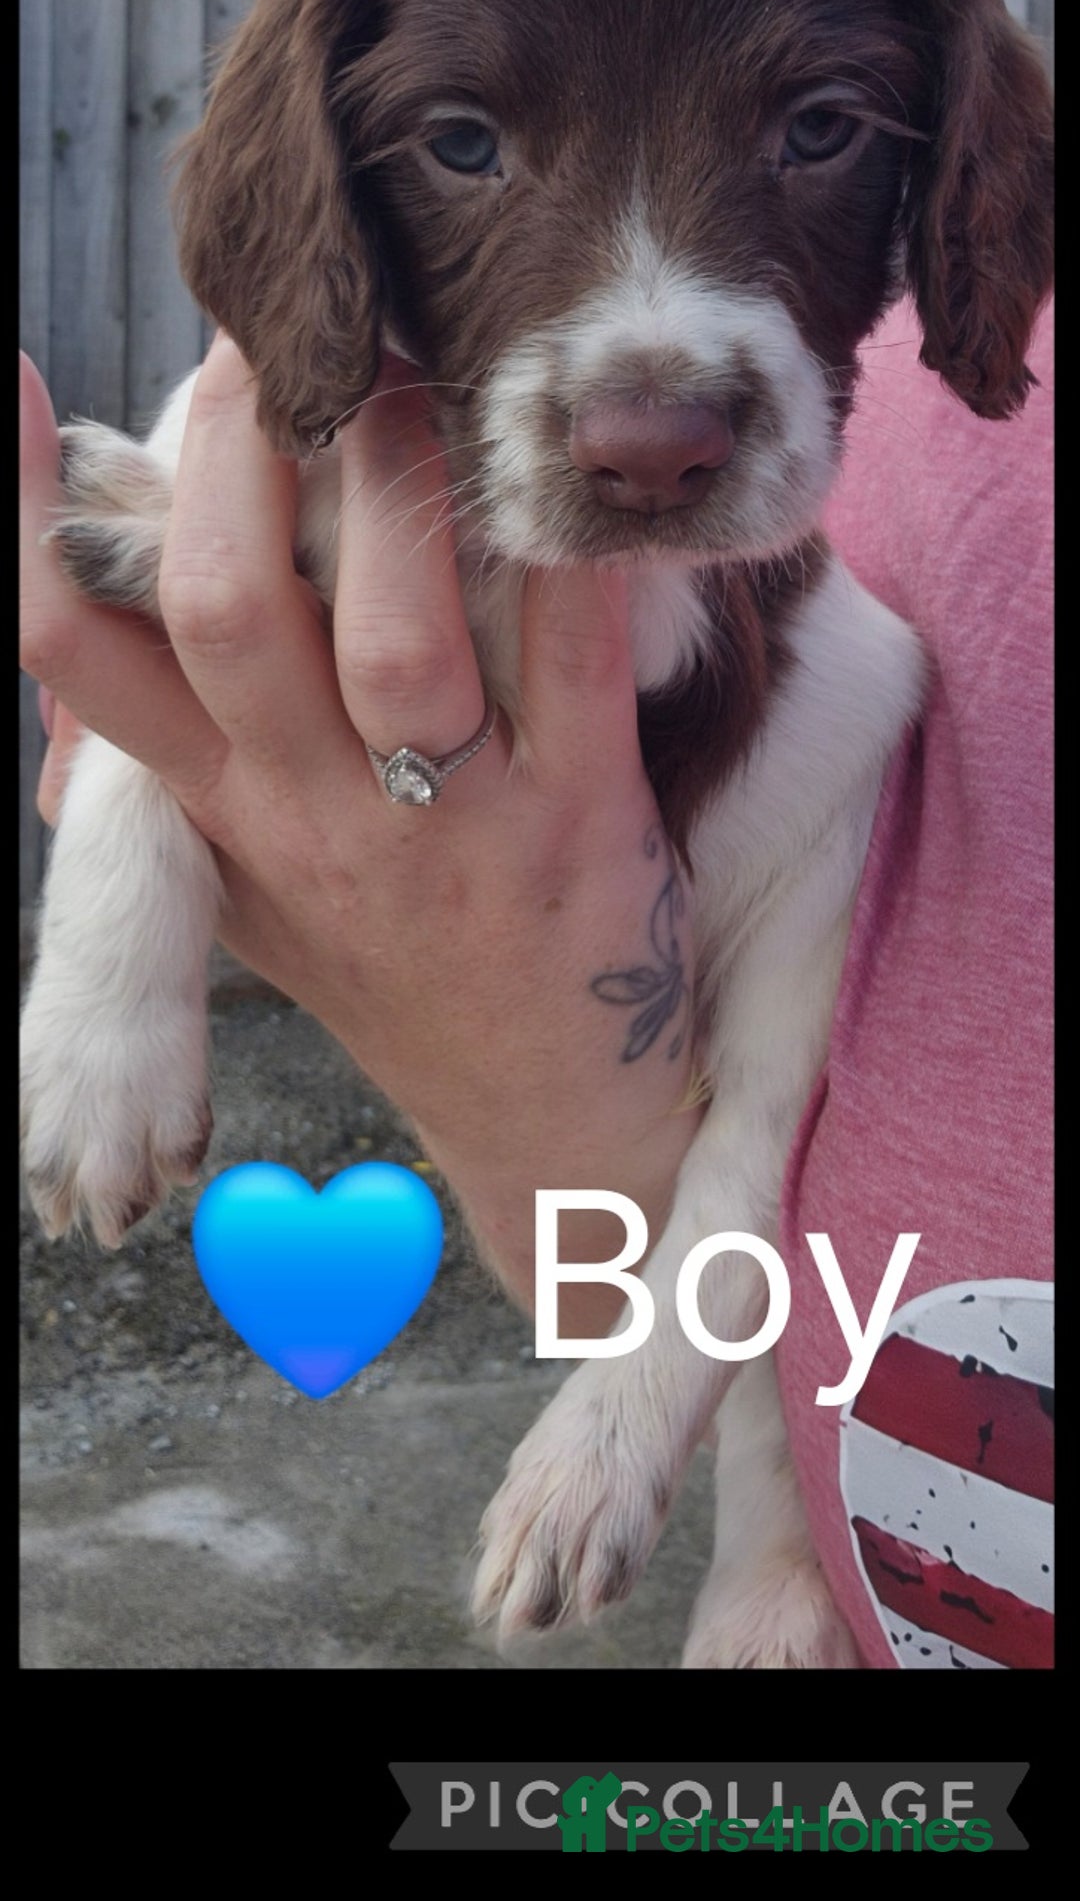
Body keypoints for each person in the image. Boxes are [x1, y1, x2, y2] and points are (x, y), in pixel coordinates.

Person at [18, 292, 1052, 1668]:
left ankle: (768, 1509)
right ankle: (770, 1497)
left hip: (766, 887)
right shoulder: (872, 380)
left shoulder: (807, 464)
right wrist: (119, 929)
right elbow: (197, 649)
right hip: (680, 1147)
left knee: (786, 1034)